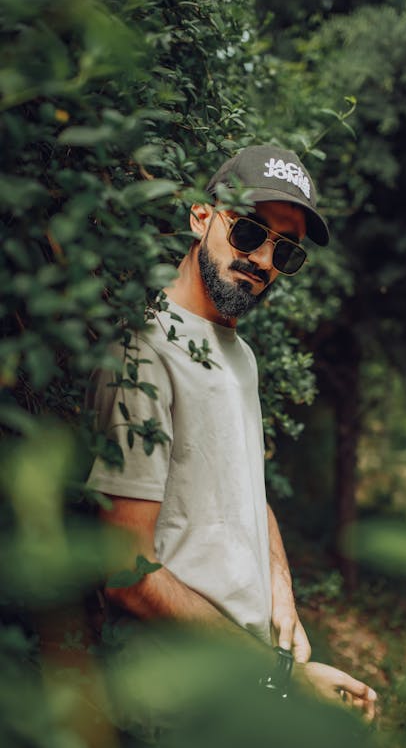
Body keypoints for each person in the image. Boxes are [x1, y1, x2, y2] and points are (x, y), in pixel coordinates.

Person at [87, 144, 377, 717]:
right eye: (248, 231)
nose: (264, 258)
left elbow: (247, 489)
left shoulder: (239, 356)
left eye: (285, 250)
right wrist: (278, 679)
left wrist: (281, 598)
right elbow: (125, 571)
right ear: (202, 216)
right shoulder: (144, 350)